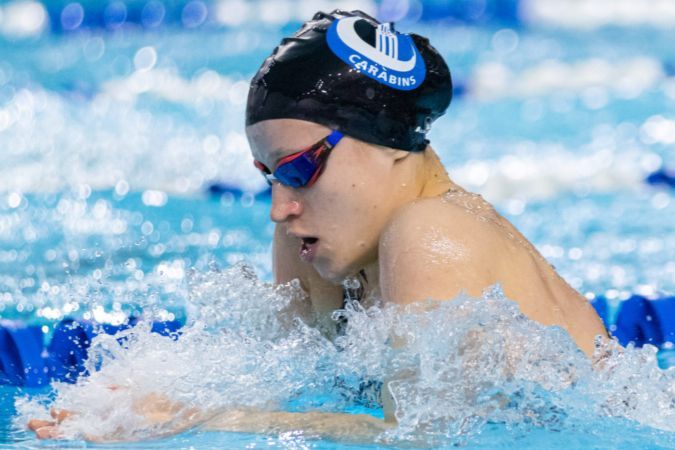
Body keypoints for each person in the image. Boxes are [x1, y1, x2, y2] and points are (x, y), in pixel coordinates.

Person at [29, 9, 608, 442]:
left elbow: (422, 440)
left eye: (300, 167)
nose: (280, 208)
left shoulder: (433, 233)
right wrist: (138, 403)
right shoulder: (317, 242)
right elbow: (284, 382)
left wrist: (198, 420)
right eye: (268, 175)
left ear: (387, 141)